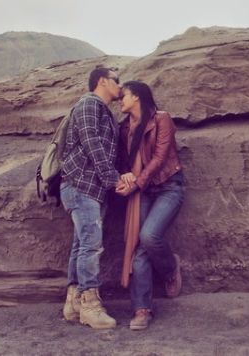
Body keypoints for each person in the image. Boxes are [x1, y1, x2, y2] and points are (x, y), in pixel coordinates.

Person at [115, 80, 185, 330]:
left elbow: (159, 157)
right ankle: (141, 308)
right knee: (138, 245)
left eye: (123, 96)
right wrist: (124, 178)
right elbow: (123, 161)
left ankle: (169, 269)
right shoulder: (124, 129)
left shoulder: (162, 119)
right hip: (142, 190)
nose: (119, 100)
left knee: (148, 235)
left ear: (137, 97)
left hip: (168, 185)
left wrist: (137, 183)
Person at [60, 65, 122, 330]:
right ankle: (90, 306)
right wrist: (112, 178)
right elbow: (91, 141)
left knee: (82, 244)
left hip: (88, 188)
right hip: (82, 185)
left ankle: (73, 304)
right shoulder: (89, 103)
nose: (120, 86)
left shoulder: (101, 110)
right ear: (102, 81)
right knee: (91, 246)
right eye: (117, 81)